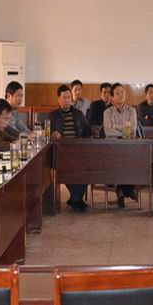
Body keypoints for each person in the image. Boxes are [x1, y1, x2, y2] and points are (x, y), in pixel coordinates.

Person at [50, 84, 91, 212]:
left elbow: (87, 130)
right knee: (67, 169)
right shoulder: (53, 115)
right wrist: (52, 133)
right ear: (59, 99)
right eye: (64, 98)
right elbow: (47, 132)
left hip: (78, 151)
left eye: (69, 97)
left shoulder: (78, 114)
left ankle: (75, 199)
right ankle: (77, 199)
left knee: (88, 168)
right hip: (61, 152)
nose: (67, 100)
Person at [103, 83, 139, 207]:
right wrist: (124, 129)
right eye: (117, 93)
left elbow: (132, 130)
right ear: (112, 98)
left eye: (122, 92)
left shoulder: (132, 110)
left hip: (130, 148)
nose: (121, 95)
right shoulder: (107, 112)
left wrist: (115, 126)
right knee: (118, 160)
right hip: (112, 149)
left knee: (131, 160)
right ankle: (127, 190)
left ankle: (122, 190)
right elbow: (108, 131)